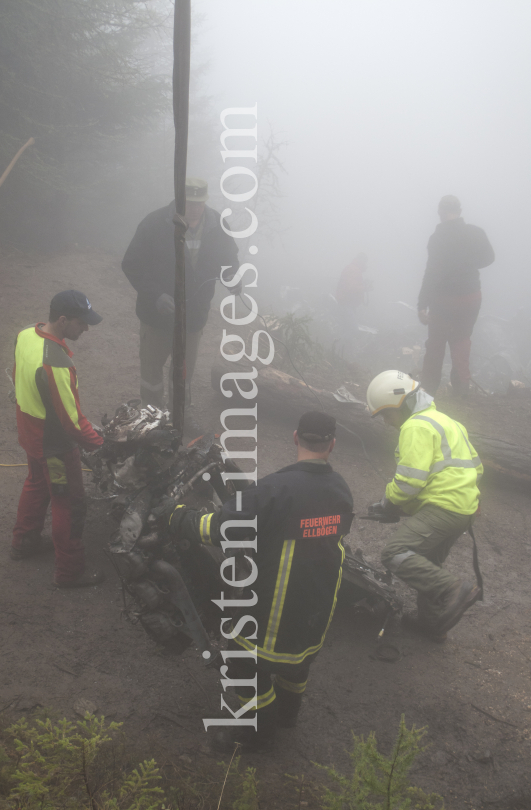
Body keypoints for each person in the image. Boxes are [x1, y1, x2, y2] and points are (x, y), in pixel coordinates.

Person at [153, 411, 354, 750]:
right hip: (318, 607)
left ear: (294, 438)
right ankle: (288, 715)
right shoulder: (341, 489)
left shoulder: (275, 489)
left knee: (243, 661)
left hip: (277, 611)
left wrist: (176, 515)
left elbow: (217, 528)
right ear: (332, 444)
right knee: (297, 663)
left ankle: (258, 734)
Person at [366, 370, 483, 642]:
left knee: (394, 552)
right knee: (428, 561)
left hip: (444, 508)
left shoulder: (416, 426)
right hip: (464, 509)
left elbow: (409, 482)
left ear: (403, 403)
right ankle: (432, 623)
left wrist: (388, 503)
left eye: (386, 414)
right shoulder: (448, 422)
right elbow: (476, 468)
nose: (385, 422)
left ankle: (453, 589)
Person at [121, 178, 239, 426]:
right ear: (179, 199)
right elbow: (131, 263)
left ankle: (178, 418)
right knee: (152, 373)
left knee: (183, 372)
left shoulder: (218, 225)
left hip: (193, 317)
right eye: (190, 202)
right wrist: (155, 296)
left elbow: (229, 259)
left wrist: (232, 277)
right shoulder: (155, 223)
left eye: (200, 203)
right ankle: (152, 417)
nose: (195, 208)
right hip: (157, 316)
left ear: (206, 201)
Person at [11, 290, 105, 588]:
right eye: (81, 323)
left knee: (36, 483)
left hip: (29, 430)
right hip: (54, 447)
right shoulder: (57, 363)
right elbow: (73, 422)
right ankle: (70, 571)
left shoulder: (27, 334)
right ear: (63, 320)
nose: (86, 328)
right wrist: (103, 446)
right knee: (69, 503)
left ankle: (23, 543)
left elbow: (16, 376)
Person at [417, 195, 494, 396]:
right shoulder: (476, 233)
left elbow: (431, 272)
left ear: (441, 212)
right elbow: (489, 258)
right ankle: (461, 389)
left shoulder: (437, 238)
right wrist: (467, 264)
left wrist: (422, 304)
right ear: (459, 211)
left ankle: (427, 391)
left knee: (436, 344)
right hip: (471, 298)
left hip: (443, 300)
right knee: (462, 340)